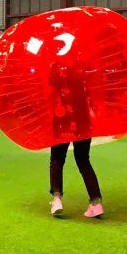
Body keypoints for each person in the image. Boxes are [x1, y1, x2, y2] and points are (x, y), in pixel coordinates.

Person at [47, 63, 102, 218]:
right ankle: (96, 202)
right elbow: (91, 94)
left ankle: (56, 199)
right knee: (84, 161)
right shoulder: (82, 66)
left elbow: (51, 95)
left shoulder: (56, 66)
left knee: (57, 159)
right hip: (82, 120)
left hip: (61, 118)